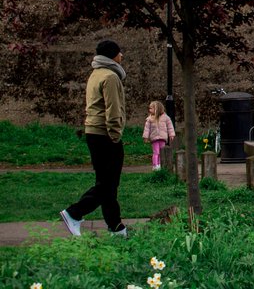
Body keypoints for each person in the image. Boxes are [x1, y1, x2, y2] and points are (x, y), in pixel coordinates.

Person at [60, 39, 128, 237]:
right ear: (112, 56)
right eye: (119, 52)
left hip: (93, 132)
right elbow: (113, 109)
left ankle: (116, 227)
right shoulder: (111, 76)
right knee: (108, 183)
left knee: (106, 182)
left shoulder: (95, 74)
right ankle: (74, 212)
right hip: (106, 134)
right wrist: (115, 135)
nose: (122, 55)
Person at [142, 100, 176, 170]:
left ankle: (161, 165)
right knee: (156, 152)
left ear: (157, 109)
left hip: (162, 138)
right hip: (154, 138)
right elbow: (147, 129)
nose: (149, 110)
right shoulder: (150, 119)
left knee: (162, 152)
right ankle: (155, 165)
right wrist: (145, 137)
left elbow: (170, 126)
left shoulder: (165, 117)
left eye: (151, 108)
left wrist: (171, 134)